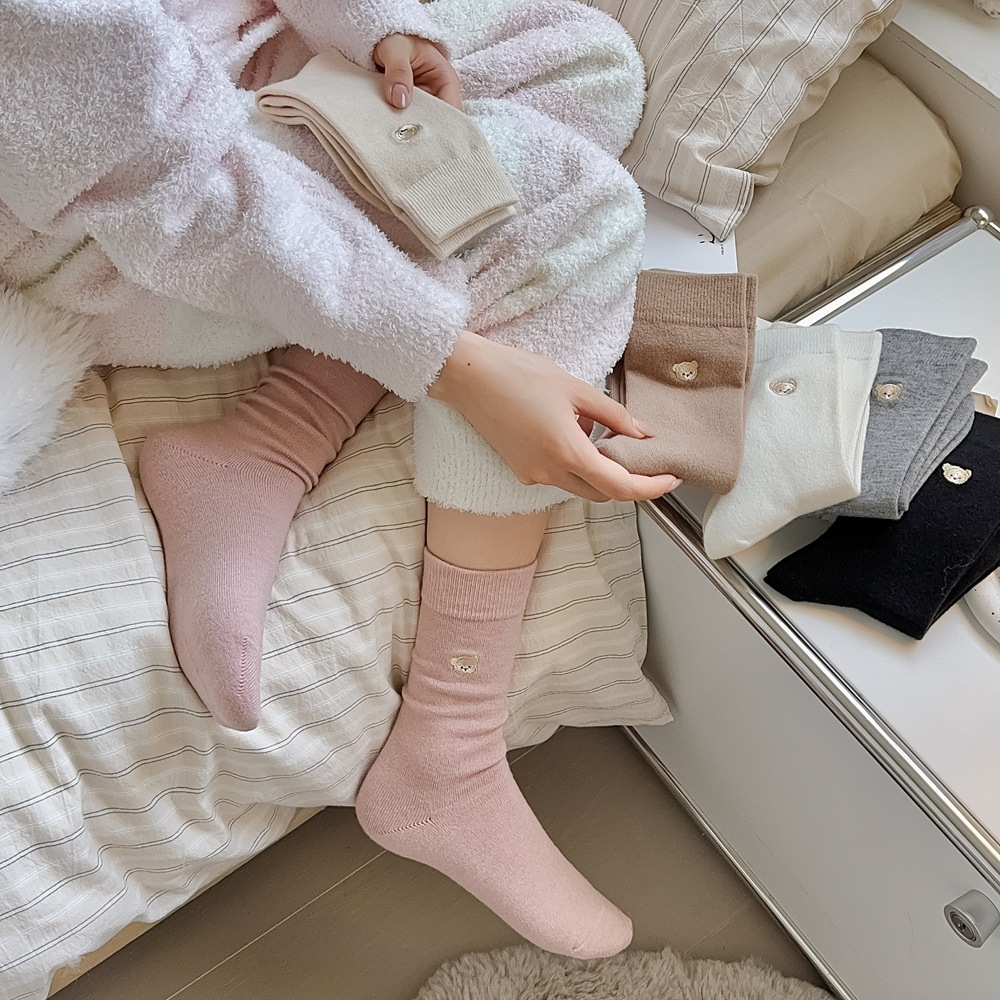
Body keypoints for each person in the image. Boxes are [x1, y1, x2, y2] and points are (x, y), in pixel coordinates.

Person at [0, 0, 678, 962]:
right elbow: (173, 191)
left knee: (585, 63)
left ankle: (276, 435)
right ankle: (452, 740)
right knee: (572, 202)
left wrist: (379, 32)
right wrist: (456, 364)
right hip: (90, 227)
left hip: (206, 70)